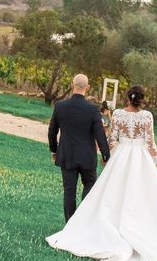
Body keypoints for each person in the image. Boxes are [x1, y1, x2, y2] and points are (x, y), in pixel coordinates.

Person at [46, 85, 157, 261]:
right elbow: (150, 143)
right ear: (142, 99)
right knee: (142, 196)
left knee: (112, 193)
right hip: (140, 158)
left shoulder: (117, 114)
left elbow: (112, 139)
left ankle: (101, 228)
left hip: (121, 157)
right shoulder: (147, 116)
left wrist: (107, 158)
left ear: (127, 98)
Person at [47, 74, 111, 222]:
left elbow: (52, 131)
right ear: (87, 88)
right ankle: (82, 221)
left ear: (72, 85)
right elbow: (100, 135)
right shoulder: (93, 110)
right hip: (87, 157)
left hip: (67, 155)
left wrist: (54, 150)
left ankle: (70, 225)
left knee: (69, 191)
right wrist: (105, 156)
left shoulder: (60, 106)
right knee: (90, 185)